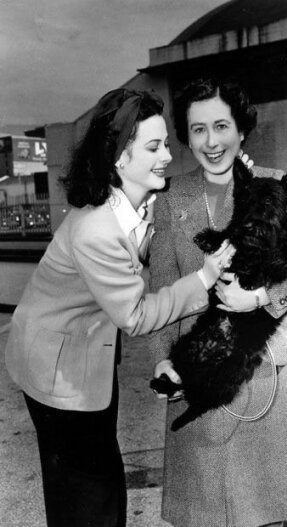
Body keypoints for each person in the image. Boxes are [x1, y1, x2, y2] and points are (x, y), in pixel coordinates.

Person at [5, 87, 234, 527]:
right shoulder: (96, 230)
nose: (167, 154)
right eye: (153, 147)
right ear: (118, 159)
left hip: (80, 354)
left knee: (100, 481)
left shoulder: (131, 205)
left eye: (166, 143)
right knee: (88, 494)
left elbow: (145, 249)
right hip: (54, 370)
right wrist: (204, 278)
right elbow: (135, 316)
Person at [148, 77, 287, 527]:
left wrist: (262, 299)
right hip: (199, 368)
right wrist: (161, 362)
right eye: (197, 130)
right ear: (186, 137)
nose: (211, 142)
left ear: (241, 129)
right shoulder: (172, 200)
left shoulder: (273, 183)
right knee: (204, 515)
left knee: (263, 512)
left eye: (221, 126)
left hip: (262, 368)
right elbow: (162, 286)